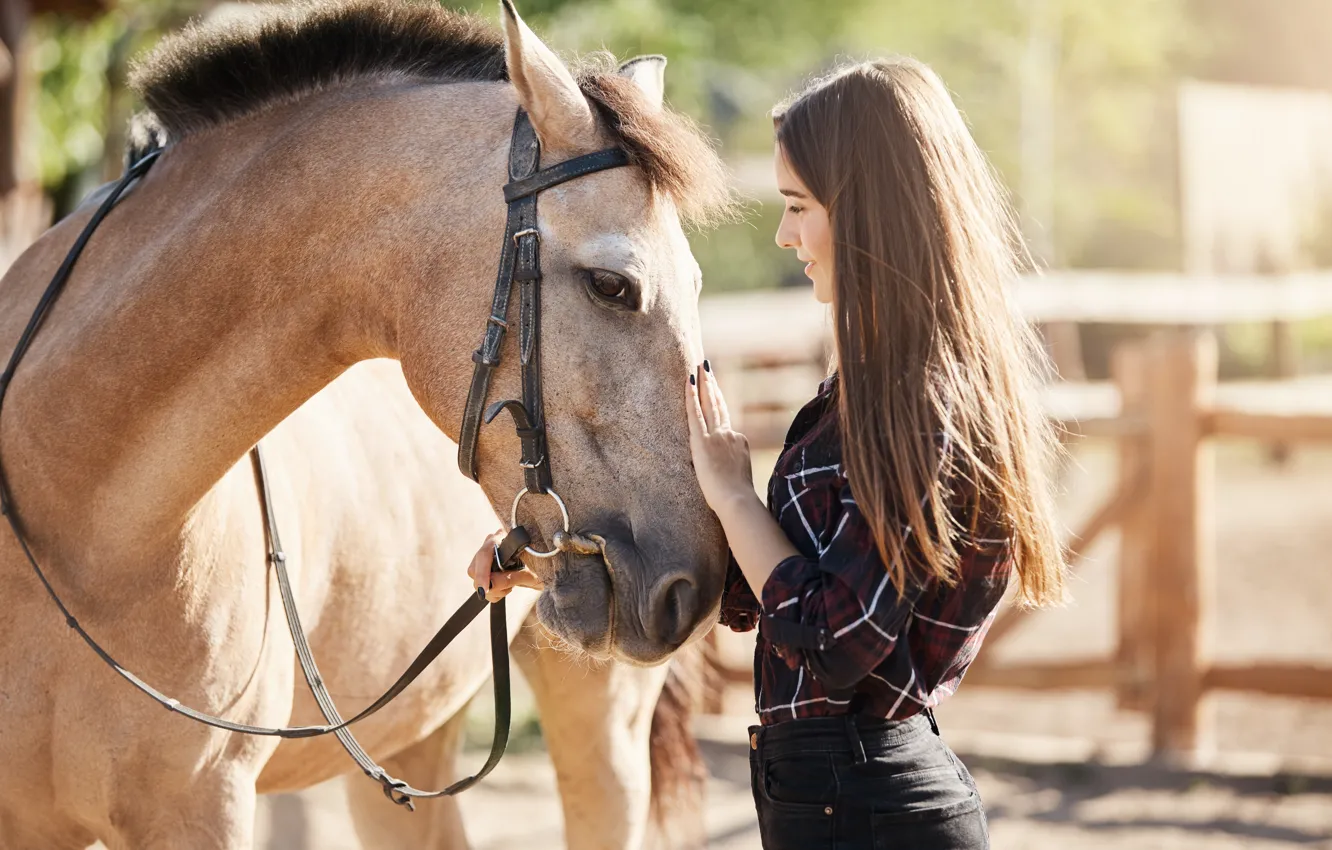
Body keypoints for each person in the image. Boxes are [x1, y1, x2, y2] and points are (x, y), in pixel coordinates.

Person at [472, 56, 1066, 849]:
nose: (786, 235)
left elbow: (837, 640)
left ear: (869, 212)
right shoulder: (863, 395)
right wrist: (553, 556)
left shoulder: (918, 408)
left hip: (867, 805)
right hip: (837, 799)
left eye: (799, 207)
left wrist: (735, 497)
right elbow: (775, 593)